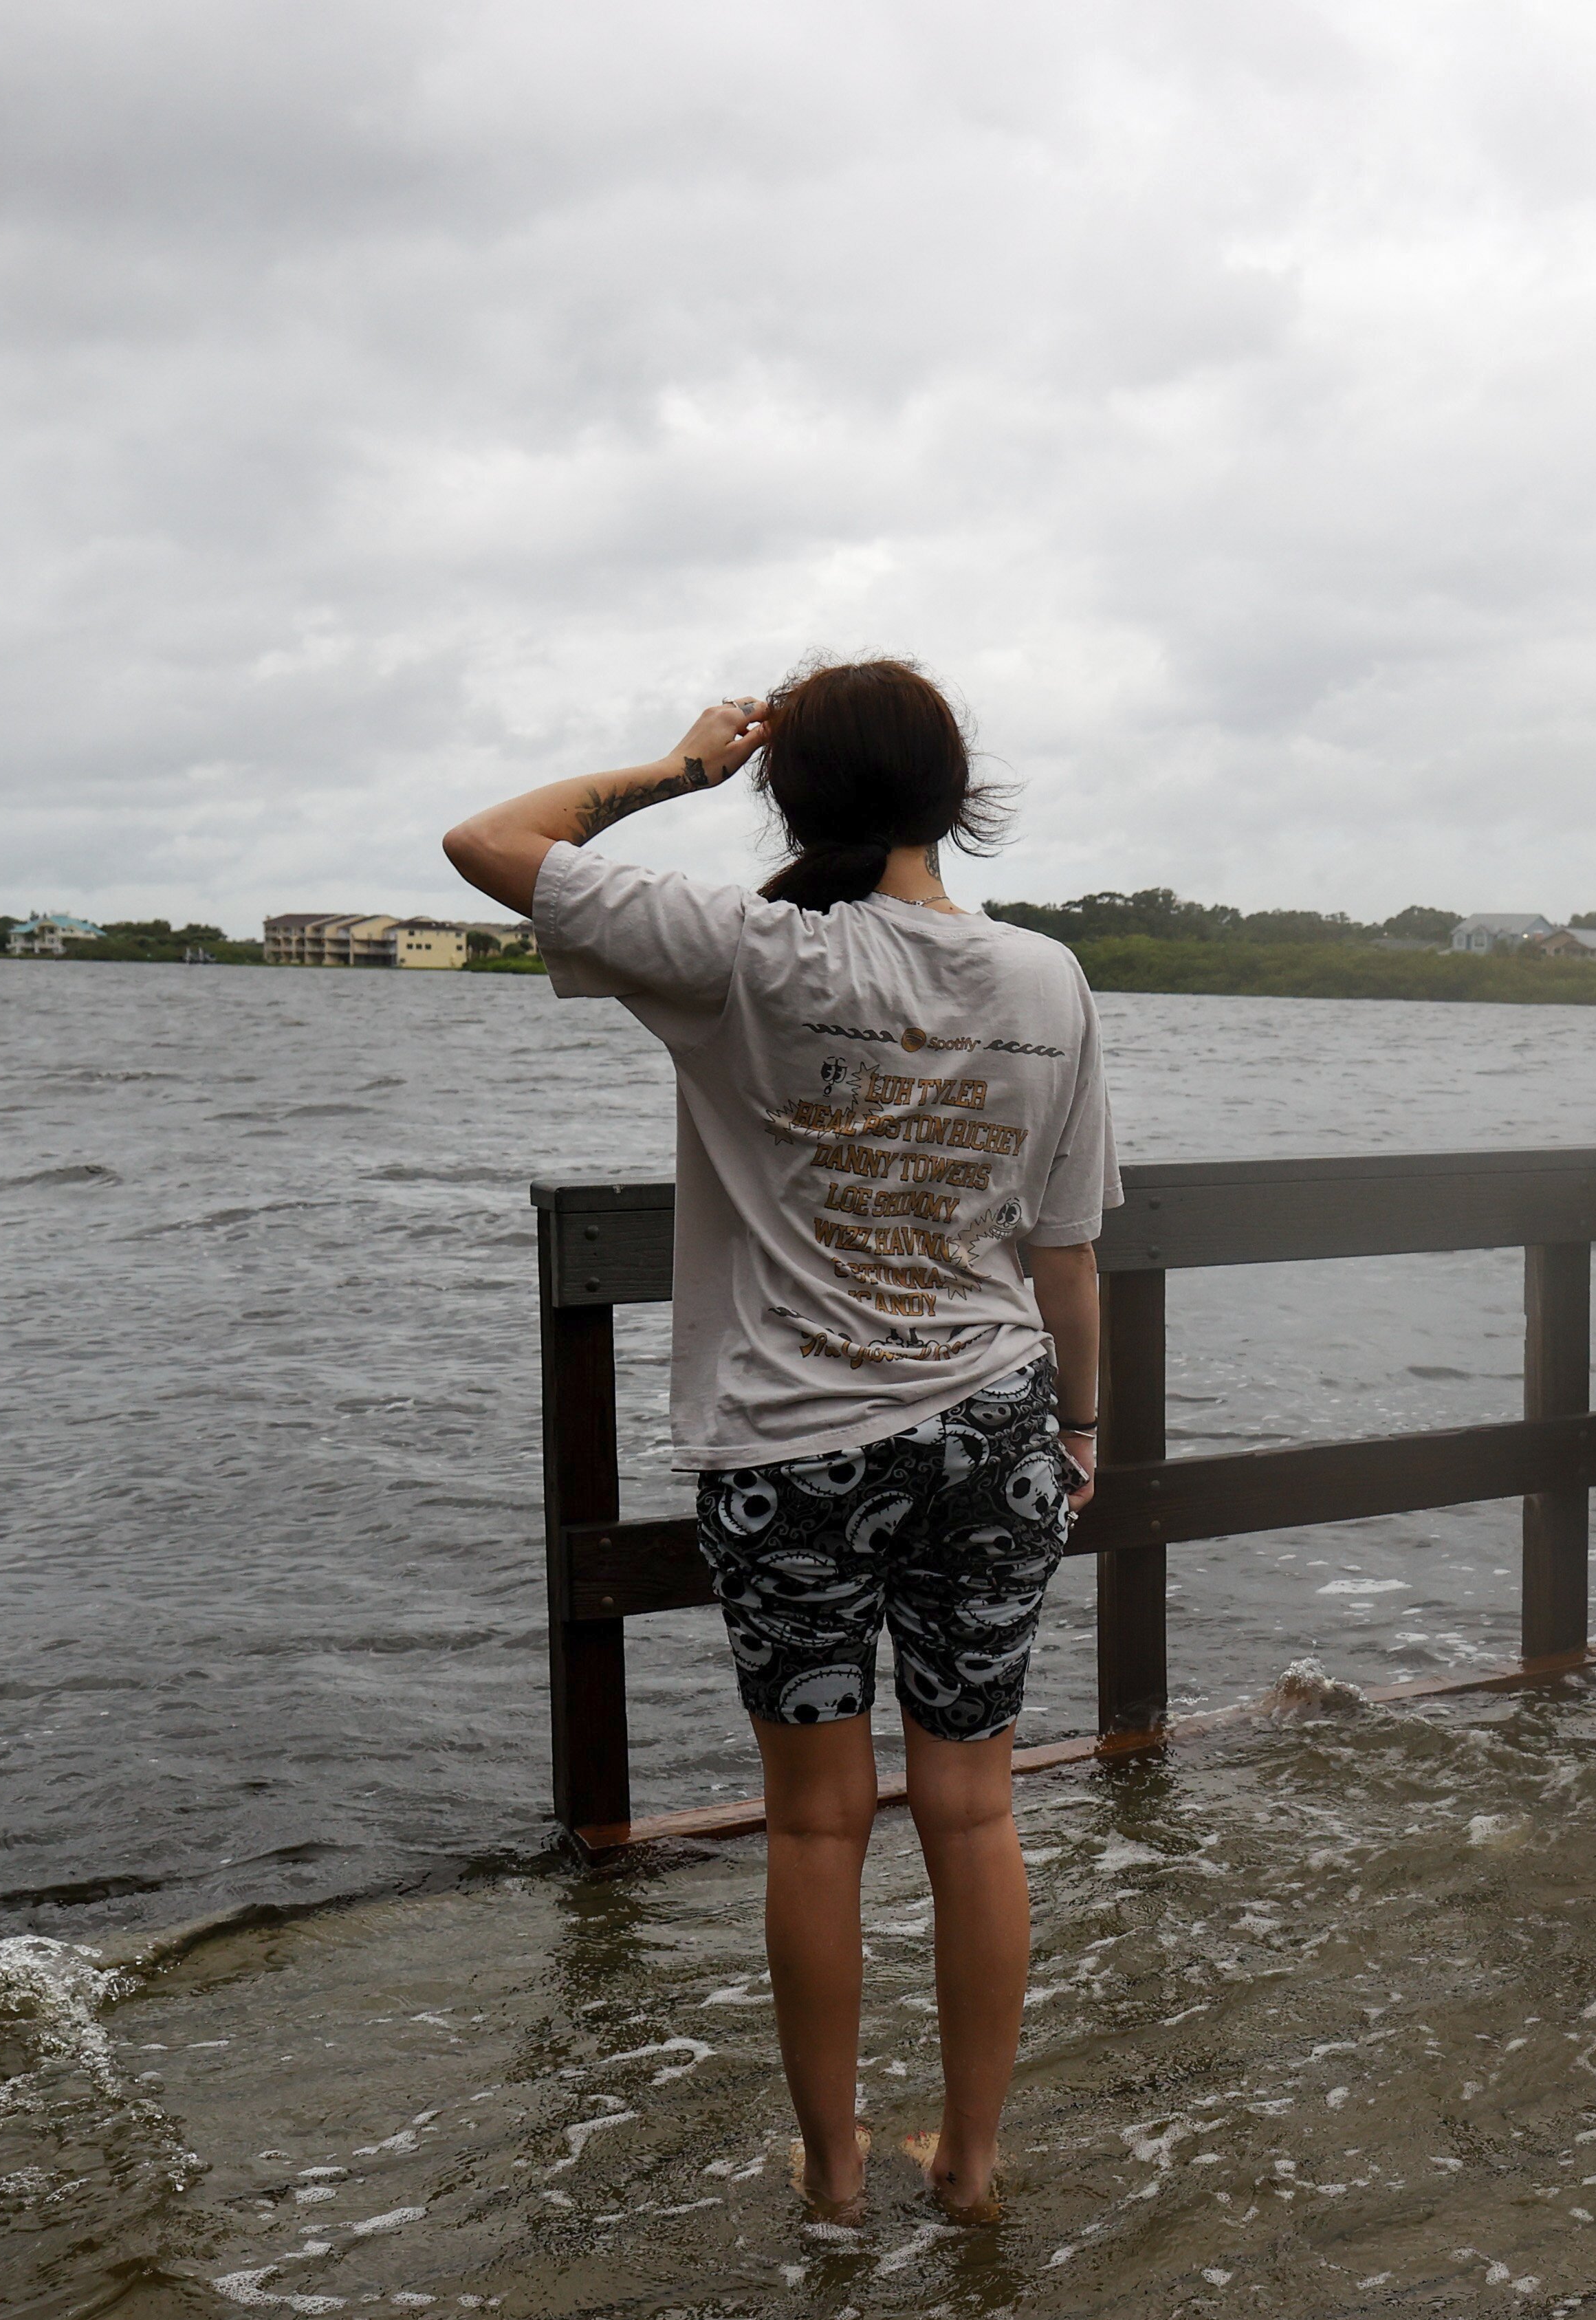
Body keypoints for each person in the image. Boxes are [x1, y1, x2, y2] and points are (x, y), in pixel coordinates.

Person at [443, 659, 1117, 2223]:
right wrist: (1079, 1428)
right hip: (997, 1426)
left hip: (792, 1450)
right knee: (976, 1804)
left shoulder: (745, 955)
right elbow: (1066, 1252)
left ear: (793, 798)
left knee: (817, 1820)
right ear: (954, 798)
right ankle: (972, 2162)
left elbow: (490, 840)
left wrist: (679, 769)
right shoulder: (1045, 981)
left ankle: (829, 2172)